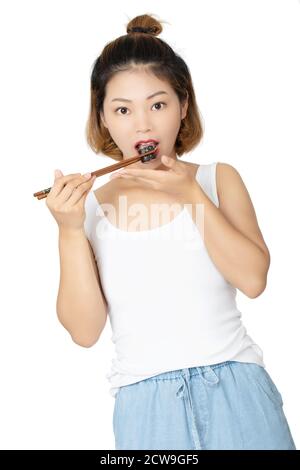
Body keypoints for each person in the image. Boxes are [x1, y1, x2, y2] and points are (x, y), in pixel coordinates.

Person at [46, 13, 296, 450]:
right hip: (145, 406)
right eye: (122, 109)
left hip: (237, 391)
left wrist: (189, 194)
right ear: (103, 118)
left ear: (183, 106)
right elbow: (84, 332)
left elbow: (254, 280)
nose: (142, 124)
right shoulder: (88, 207)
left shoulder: (218, 179)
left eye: (157, 104)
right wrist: (69, 230)